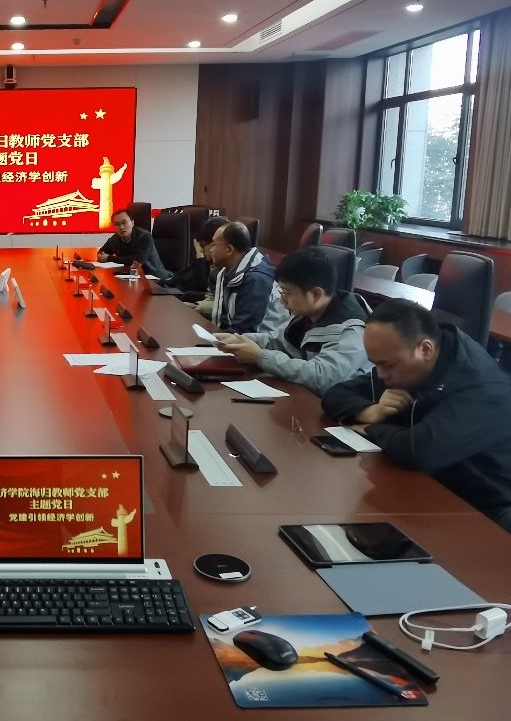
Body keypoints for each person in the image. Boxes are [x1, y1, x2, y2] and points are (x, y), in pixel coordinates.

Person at [321, 299, 511, 532]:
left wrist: (372, 428)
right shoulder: (406, 365)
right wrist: (371, 411)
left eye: (387, 365)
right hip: (430, 487)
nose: (380, 374)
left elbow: (418, 451)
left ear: (425, 350)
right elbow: (334, 395)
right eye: (375, 364)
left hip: (487, 510)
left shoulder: (483, 388)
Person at [215, 246, 371, 394]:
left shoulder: (352, 329)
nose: (282, 300)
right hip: (304, 395)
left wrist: (260, 357)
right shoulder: (307, 314)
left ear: (316, 294)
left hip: (337, 407)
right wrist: (238, 340)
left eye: (287, 293)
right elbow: (276, 340)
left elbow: (323, 376)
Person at [207, 221, 288, 333]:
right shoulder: (228, 271)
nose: (210, 249)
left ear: (229, 249)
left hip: (262, 340)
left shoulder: (255, 280)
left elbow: (244, 330)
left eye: (213, 244)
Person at [97, 209, 172, 281]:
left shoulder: (144, 237)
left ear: (132, 223)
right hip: (131, 276)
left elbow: (137, 260)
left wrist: (109, 258)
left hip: (155, 277)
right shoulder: (115, 239)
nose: (121, 227)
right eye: (117, 224)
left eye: (124, 223)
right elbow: (101, 253)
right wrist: (103, 257)